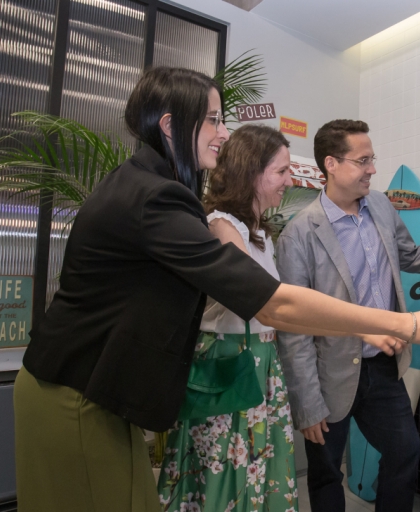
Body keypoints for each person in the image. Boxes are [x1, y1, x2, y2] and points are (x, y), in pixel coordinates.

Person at [13, 69, 420, 512]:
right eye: (213, 119)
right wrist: (405, 323)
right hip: (77, 391)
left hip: (95, 391)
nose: (223, 132)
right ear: (171, 125)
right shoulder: (160, 198)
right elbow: (274, 305)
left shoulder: (153, 188)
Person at [276, 119, 420, 512]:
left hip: (381, 365)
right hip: (329, 372)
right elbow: (293, 330)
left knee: (405, 450)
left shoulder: (379, 205)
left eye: (372, 159)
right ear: (331, 164)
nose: (372, 169)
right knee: (326, 472)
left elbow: (412, 256)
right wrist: (307, 403)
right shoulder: (300, 234)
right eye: (363, 161)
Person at [157, 124, 299, 511]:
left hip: (261, 363)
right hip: (231, 361)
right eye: (281, 171)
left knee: (259, 469)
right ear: (251, 172)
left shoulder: (260, 233)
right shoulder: (222, 225)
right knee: (225, 471)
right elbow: (257, 300)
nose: (289, 181)